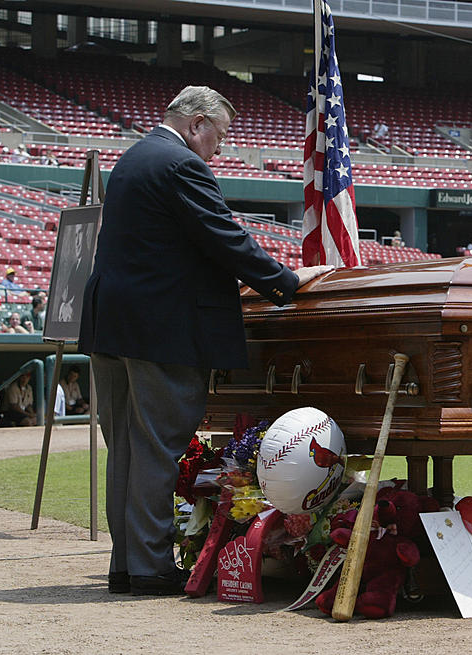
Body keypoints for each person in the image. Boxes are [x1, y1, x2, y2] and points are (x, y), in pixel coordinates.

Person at [78, 86, 332, 597]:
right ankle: (149, 569)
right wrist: (287, 280)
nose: (220, 147)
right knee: (155, 450)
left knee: (126, 449)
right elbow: (223, 237)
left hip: (114, 325)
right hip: (159, 330)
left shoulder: (133, 157)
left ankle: (127, 565)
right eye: (220, 135)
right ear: (196, 124)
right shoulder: (181, 164)